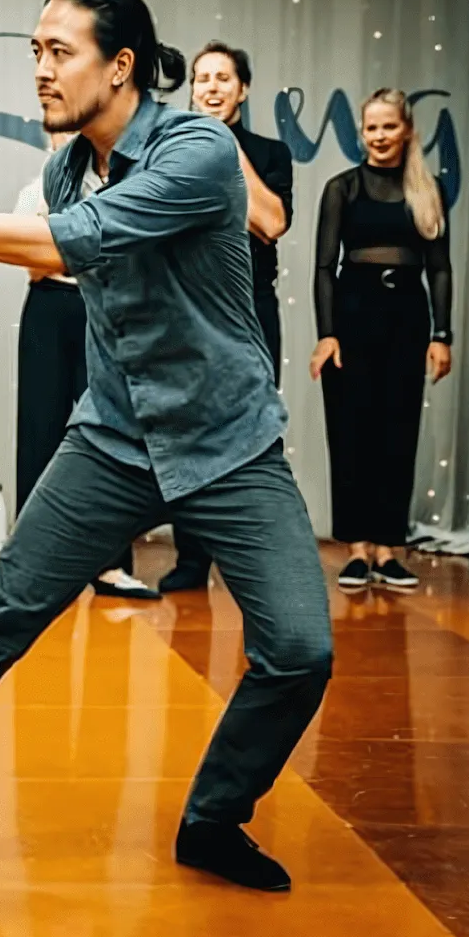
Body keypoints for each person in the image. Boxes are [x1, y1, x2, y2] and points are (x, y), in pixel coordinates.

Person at [0, 0, 333, 893]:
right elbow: (48, 240)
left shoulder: (199, 149)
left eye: (59, 52)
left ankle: (213, 817)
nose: (40, 71)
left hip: (229, 441)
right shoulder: (62, 166)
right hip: (114, 441)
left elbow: (73, 242)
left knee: (299, 650)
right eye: (35, 53)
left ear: (120, 66)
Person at [163, 42, 296, 592]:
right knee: (188, 431)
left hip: (250, 310)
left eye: (223, 78)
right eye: (201, 79)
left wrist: (223, 148)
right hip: (189, 309)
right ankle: (191, 559)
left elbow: (271, 223)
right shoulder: (169, 149)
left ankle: (260, 560)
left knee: (255, 434)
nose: (211, 88)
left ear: (242, 89)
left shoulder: (269, 153)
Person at [309, 90, 453, 590]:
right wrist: (326, 334)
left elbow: (439, 268)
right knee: (352, 434)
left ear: (407, 130)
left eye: (388, 127)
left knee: (397, 431)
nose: (378, 136)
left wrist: (442, 334)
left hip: (406, 318)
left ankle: (389, 548)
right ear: (361, 133)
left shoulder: (426, 190)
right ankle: (356, 548)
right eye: (371, 128)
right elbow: (325, 267)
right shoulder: (342, 188)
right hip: (352, 317)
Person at [13, 133, 157, 601]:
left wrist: (59, 240)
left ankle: (112, 566)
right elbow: (33, 263)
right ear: (48, 136)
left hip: (106, 306)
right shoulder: (35, 189)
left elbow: (125, 256)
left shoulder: (123, 186)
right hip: (48, 308)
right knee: (39, 429)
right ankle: (31, 564)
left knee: (112, 429)